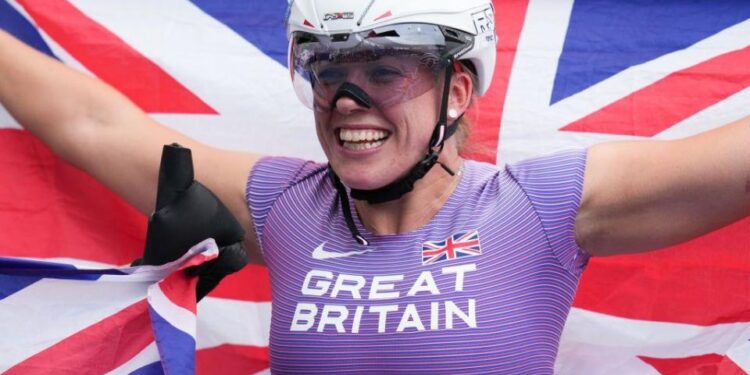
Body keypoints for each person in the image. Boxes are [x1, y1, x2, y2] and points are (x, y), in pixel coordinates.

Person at [0, 0, 749, 373]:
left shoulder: (539, 205)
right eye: (328, 74)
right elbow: (95, 125)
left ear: (457, 88)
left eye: (383, 72)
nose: (346, 103)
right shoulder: (285, 206)